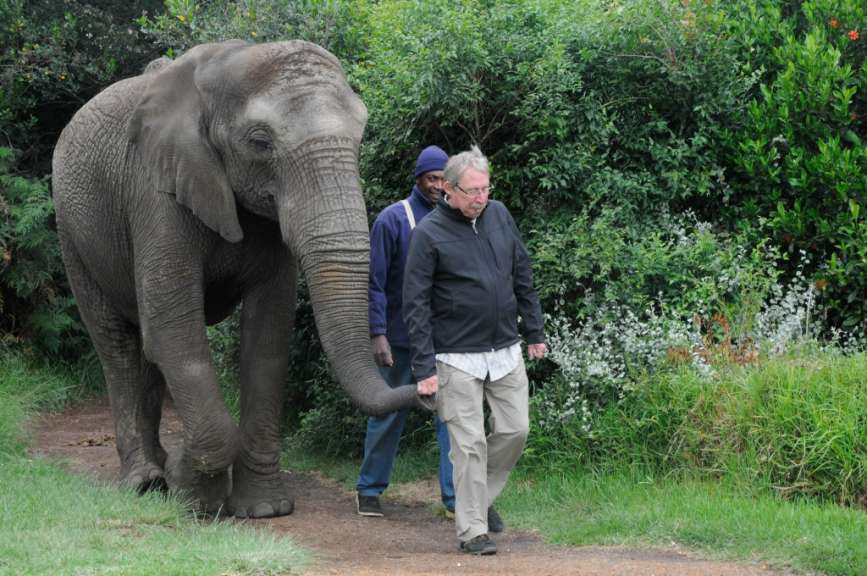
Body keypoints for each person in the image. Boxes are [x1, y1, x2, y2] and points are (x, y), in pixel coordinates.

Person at [403, 146, 546, 556]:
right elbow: (415, 303)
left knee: (516, 430)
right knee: (468, 444)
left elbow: (522, 271)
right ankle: (472, 531)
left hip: (504, 349)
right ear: (448, 189)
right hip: (455, 356)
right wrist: (424, 368)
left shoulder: (499, 215)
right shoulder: (428, 233)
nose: (480, 198)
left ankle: (477, 498)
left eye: (485, 189)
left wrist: (534, 330)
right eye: (472, 191)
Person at [355, 145, 456, 518]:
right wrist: (377, 332)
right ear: (418, 178)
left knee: (451, 417)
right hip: (398, 340)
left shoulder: (455, 219)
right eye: (432, 178)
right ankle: (369, 490)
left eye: (444, 179)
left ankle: (456, 500)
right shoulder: (392, 219)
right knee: (388, 414)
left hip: (442, 342)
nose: (438, 186)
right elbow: (375, 282)